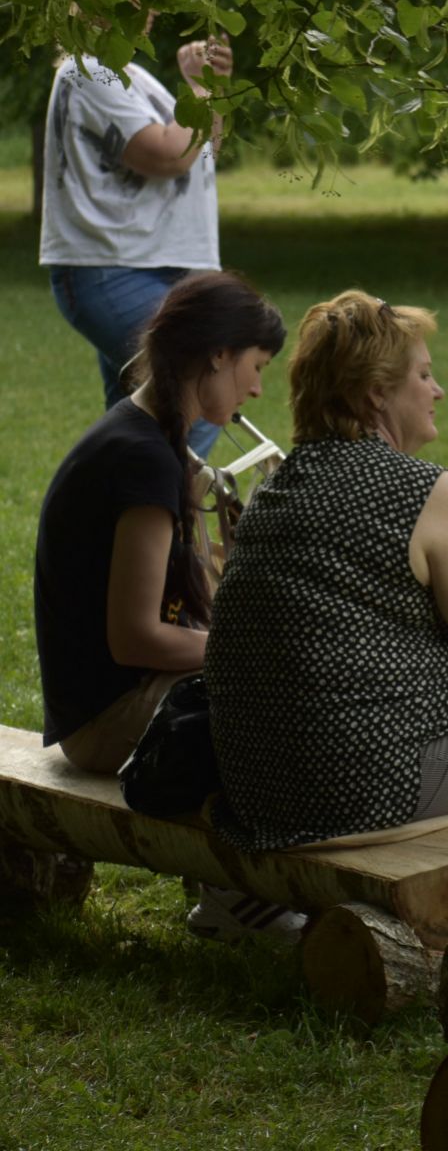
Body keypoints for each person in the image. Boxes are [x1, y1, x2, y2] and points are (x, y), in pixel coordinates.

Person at [204, 291, 448, 930]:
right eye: (425, 376)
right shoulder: (422, 490)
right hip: (359, 784)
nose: (439, 391)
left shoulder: (275, 492)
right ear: (377, 393)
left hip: (260, 792)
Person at [34, 271, 284, 776]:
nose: (256, 389)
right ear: (219, 353)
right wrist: (247, 649)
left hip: (117, 702)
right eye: (256, 366)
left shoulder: (146, 436)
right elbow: (135, 639)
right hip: (107, 722)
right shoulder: (143, 458)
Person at [40, 0, 231, 457]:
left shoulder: (131, 77)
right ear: (94, 0)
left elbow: (203, 149)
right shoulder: (90, 71)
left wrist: (209, 88)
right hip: (114, 269)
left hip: (150, 267)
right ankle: (169, 528)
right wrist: (193, 90)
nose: (144, 5)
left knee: (134, 427)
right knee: (203, 384)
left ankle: (115, 530)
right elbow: (167, 154)